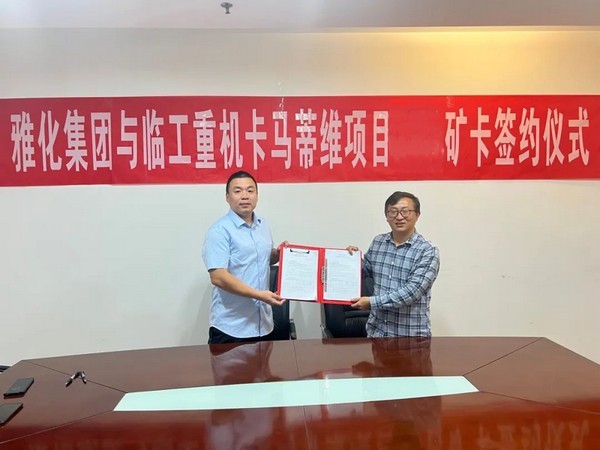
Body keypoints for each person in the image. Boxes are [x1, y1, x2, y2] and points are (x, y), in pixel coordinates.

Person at [202, 170, 285, 344]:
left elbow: (260, 260)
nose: (245, 196)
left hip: (264, 325)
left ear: (257, 195)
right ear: (227, 197)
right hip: (232, 328)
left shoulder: (263, 225)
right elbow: (218, 277)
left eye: (250, 190)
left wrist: (278, 255)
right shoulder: (219, 231)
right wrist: (259, 295)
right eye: (238, 191)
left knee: (264, 364)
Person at [347, 191, 440, 337]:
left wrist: (372, 302)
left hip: (410, 336)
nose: (399, 217)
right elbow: (366, 272)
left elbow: (411, 293)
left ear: (417, 215)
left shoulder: (427, 250)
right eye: (393, 212)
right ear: (386, 216)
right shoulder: (378, 242)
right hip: (377, 332)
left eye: (405, 211)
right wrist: (351, 260)